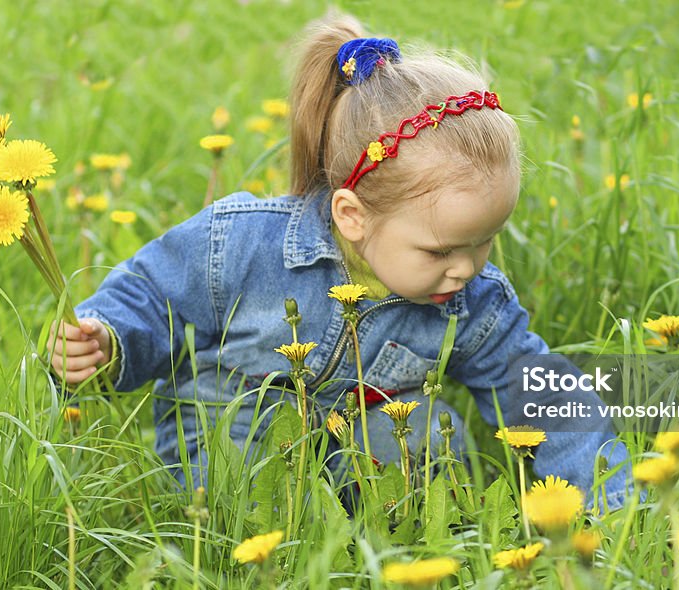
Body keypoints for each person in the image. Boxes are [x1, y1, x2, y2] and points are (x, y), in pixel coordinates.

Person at [49, 15, 633, 509]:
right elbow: (154, 295)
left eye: (484, 242)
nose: (467, 269)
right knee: (237, 455)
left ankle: (404, 540)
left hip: (364, 450)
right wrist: (109, 340)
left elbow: (546, 398)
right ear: (353, 215)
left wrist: (616, 505)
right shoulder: (246, 244)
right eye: (441, 250)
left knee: (424, 433)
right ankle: (240, 537)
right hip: (238, 444)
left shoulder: (471, 301)